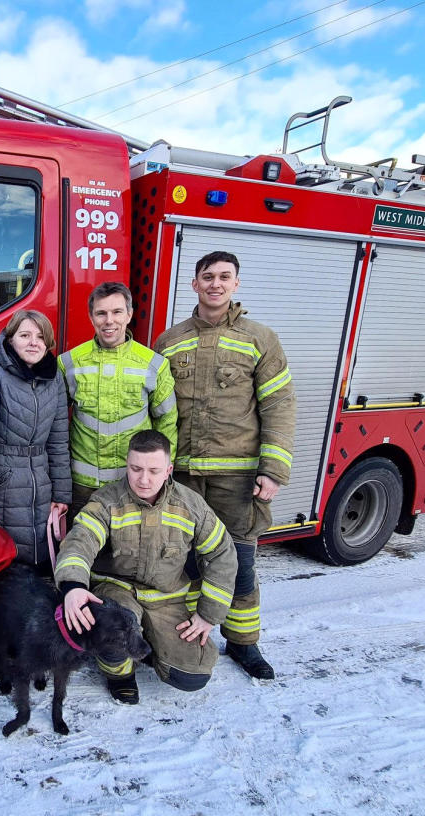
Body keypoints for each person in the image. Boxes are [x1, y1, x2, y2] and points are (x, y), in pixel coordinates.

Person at [153, 251, 296, 681]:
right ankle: (187, 637)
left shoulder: (260, 339)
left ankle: (243, 644)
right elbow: (157, 409)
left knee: (240, 566)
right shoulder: (169, 341)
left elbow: (280, 405)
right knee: (184, 564)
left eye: (224, 277)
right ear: (194, 284)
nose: (215, 284)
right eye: (207, 276)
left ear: (236, 284)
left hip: (238, 480)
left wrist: (273, 468)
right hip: (185, 479)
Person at [54, 430, 237, 702]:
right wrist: (73, 586)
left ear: (168, 470)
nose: (143, 479)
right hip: (117, 592)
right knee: (114, 632)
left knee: (193, 674)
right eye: (135, 468)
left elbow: (222, 552)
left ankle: (151, 644)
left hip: (166, 597)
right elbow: (80, 540)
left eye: (154, 470)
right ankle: (120, 675)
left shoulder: (190, 505)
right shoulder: (107, 501)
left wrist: (208, 614)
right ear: (126, 464)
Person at [58, 282, 177, 511]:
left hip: (134, 485)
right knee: (83, 546)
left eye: (117, 312)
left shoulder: (154, 365)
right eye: (101, 313)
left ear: (129, 315)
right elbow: (54, 425)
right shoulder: (69, 363)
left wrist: (160, 476)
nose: (109, 320)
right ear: (91, 317)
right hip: (82, 487)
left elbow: (167, 423)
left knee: (129, 548)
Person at [0, 309, 71, 568]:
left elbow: (58, 442)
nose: (33, 342)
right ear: (9, 339)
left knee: (41, 561)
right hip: (1, 483)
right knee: (4, 564)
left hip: (42, 483)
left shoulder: (54, 378)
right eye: (24, 335)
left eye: (40, 336)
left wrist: (62, 494)